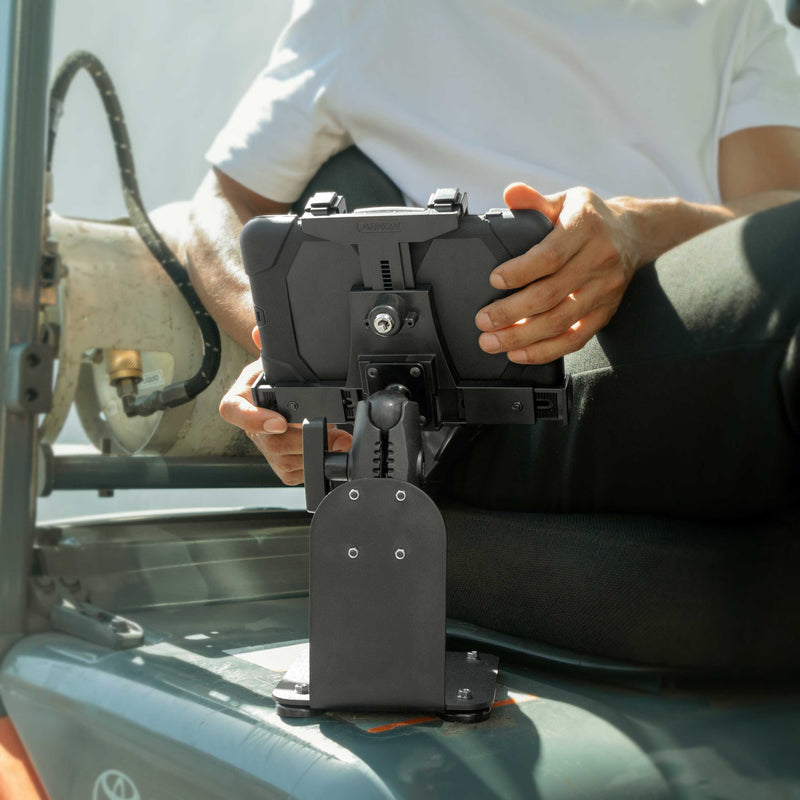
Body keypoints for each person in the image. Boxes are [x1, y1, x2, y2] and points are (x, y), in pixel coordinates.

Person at [187, 0, 800, 516]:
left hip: (695, 314)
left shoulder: (730, 11)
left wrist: (641, 228)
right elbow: (221, 201)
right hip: (489, 391)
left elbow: (778, 208)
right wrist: (293, 352)